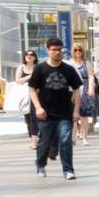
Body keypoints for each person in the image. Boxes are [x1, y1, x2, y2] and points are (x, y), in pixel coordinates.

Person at [29, 37, 82, 179]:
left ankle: (68, 170)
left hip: (65, 112)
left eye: (60, 50)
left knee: (65, 141)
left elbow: (77, 91)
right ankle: (40, 165)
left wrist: (76, 110)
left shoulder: (68, 69)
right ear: (47, 50)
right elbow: (32, 89)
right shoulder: (40, 69)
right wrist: (38, 108)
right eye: (54, 50)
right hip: (45, 113)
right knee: (44, 142)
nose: (58, 53)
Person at [68, 43, 95, 145]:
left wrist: (91, 89)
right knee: (74, 116)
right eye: (75, 50)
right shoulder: (70, 63)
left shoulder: (86, 63)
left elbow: (91, 76)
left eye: (79, 50)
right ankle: (73, 138)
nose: (78, 52)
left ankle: (84, 137)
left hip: (84, 90)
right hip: (73, 90)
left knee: (84, 115)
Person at [15, 50, 39, 151]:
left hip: (36, 96)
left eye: (31, 55)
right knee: (28, 119)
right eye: (27, 54)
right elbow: (17, 81)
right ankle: (32, 138)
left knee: (34, 117)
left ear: (34, 57)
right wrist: (30, 76)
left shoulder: (38, 68)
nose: (29, 56)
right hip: (24, 97)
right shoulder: (21, 67)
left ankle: (34, 141)